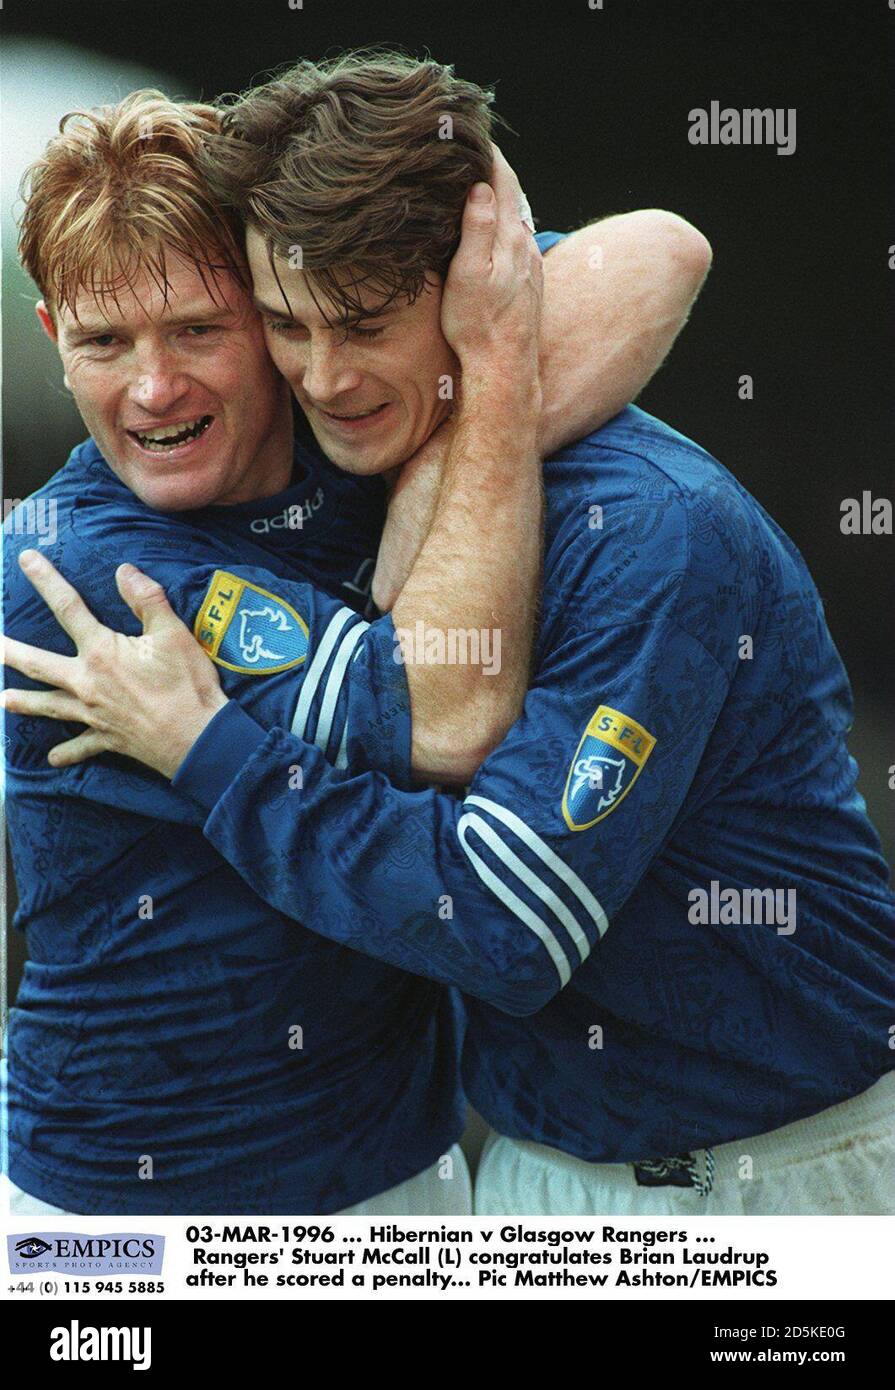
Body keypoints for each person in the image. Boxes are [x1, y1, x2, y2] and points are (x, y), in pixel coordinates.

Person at [10, 51, 892, 1218]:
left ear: (470, 299)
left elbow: (499, 921)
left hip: (765, 1174)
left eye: (201, 330)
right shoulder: (77, 558)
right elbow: (437, 720)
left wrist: (212, 745)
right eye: (288, 326)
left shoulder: (644, 529)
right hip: (146, 1207)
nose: (323, 376)